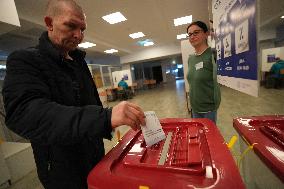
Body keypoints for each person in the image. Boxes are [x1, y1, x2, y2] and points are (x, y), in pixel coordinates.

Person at [2, 0, 145, 188]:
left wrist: (106, 122)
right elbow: (24, 113)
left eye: (82, 29)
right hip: (62, 170)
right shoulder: (25, 60)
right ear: (49, 23)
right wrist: (105, 117)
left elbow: (89, 103)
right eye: (70, 25)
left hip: (94, 157)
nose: (78, 35)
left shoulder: (79, 61)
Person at [186, 21, 221, 124]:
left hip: (209, 108)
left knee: (208, 137)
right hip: (195, 107)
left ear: (206, 34)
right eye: (190, 34)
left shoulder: (213, 54)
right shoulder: (191, 58)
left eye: (196, 32)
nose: (192, 36)